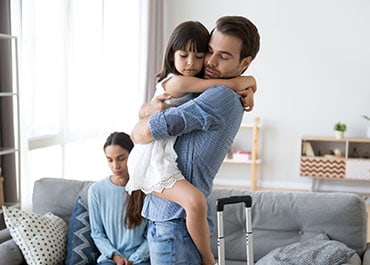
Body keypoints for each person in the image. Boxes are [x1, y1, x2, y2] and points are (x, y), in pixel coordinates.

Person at [131, 16, 260, 264]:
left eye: (224, 56)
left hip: (176, 226)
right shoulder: (209, 87)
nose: (209, 62)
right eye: (209, 51)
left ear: (245, 62)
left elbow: (143, 133)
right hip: (170, 221)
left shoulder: (220, 95)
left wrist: (140, 122)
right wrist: (250, 82)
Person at [88, 132, 150, 265]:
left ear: (133, 156)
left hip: (141, 260)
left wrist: (134, 259)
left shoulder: (147, 188)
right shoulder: (96, 191)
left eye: (121, 158)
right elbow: (97, 233)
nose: (115, 166)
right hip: (109, 260)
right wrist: (115, 256)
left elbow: (152, 233)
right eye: (110, 160)